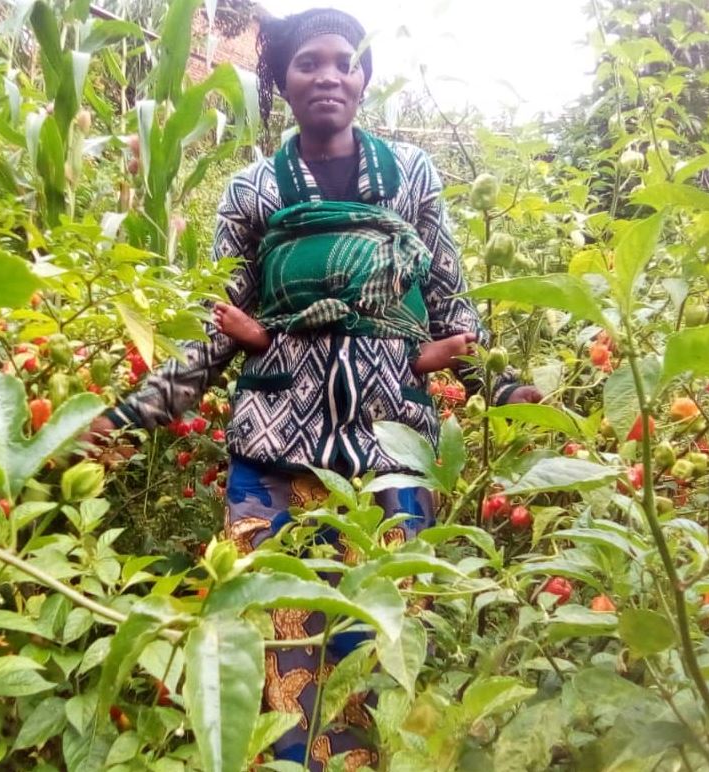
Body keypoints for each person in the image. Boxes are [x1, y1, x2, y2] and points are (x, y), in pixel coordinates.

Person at [88, 7, 541, 767]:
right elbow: (217, 326)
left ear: (363, 77)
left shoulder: (410, 175)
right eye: (308, 63)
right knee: (277, 630)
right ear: (281, 78)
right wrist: (129, 416)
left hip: (392, 440)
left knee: (388, 631)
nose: (329, 75)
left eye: (344, 62)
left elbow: (451, 302)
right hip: (276, 441)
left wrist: (505, 386)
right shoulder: (253, 189)